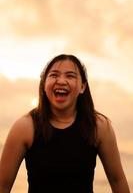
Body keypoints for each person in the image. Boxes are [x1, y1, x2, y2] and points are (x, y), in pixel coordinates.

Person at [0, 54, 130, 193]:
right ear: (44, 84)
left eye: (70, 76)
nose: (61, 81)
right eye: (54, 75)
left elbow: (117, 180)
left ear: (82, 86)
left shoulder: (99, 126)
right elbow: (3, 185)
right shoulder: (25, 127)